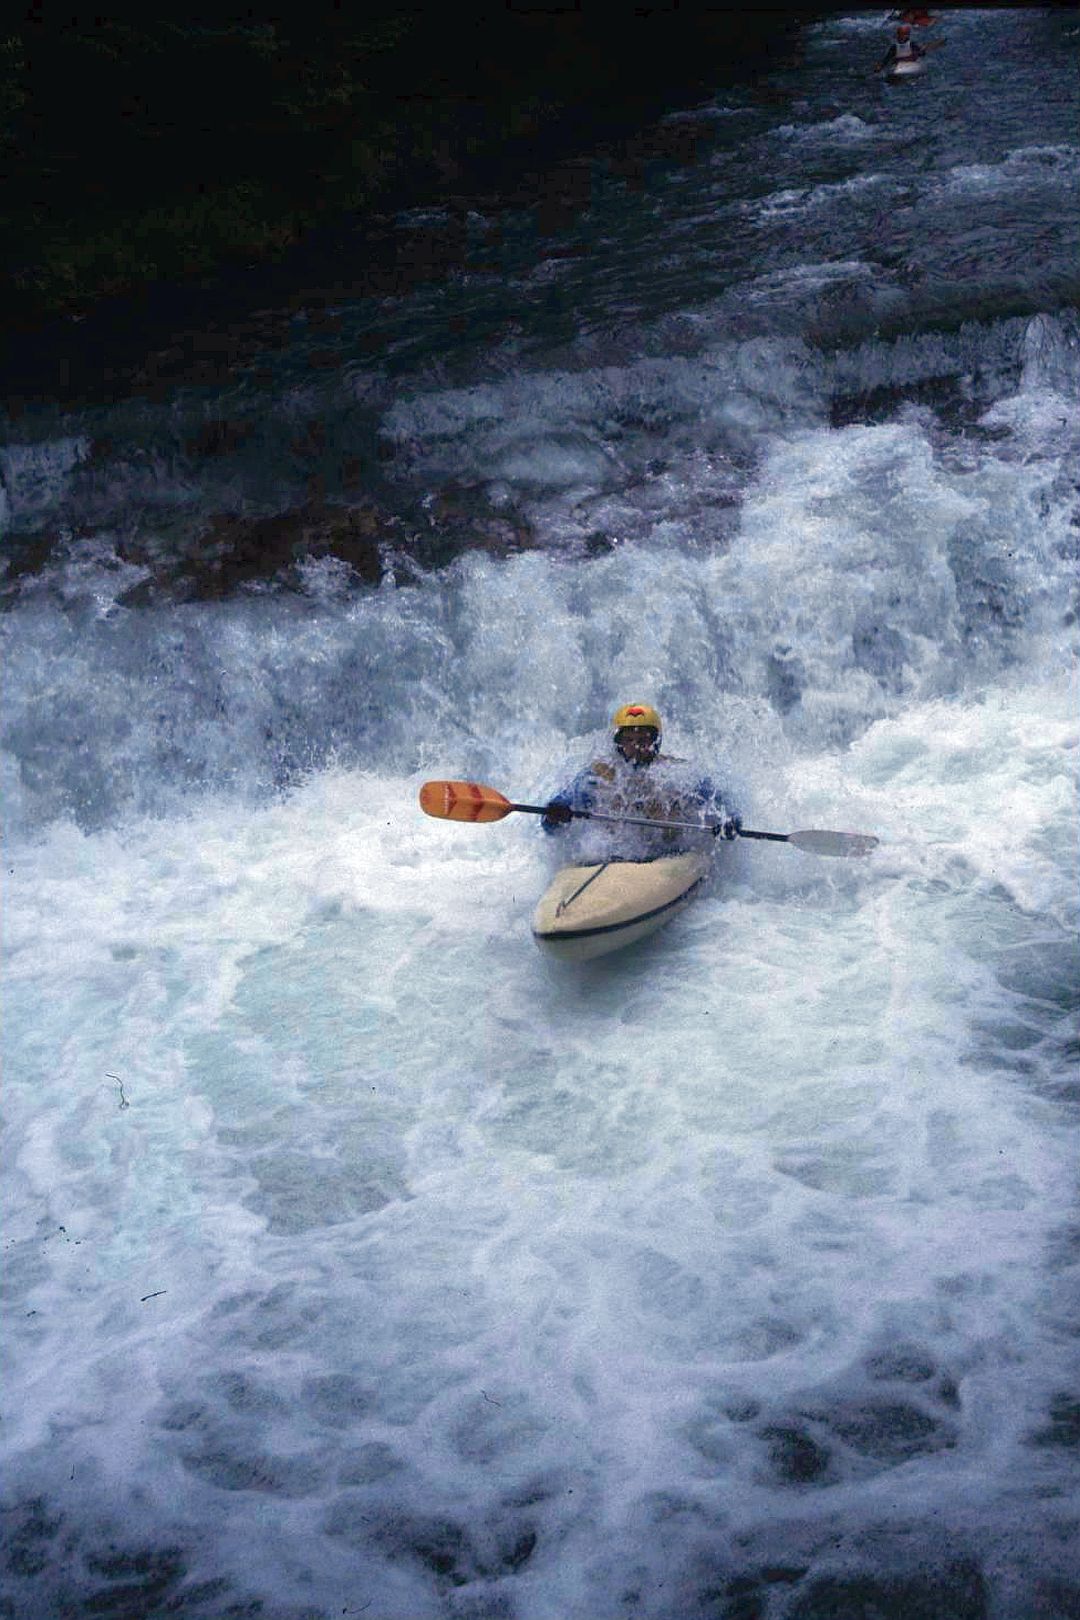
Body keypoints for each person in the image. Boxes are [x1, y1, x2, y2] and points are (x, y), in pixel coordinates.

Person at [541, 703, 741, 856]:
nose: (636, 746)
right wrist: (555, 813)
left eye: (643, 740)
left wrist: (730, 819)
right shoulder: (600, 775)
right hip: (615, 852)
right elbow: (561, 807)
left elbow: (716, 798)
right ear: (618, 743)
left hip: (669, 852)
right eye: (628, 740)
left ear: (655, 742)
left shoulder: (675, 772)